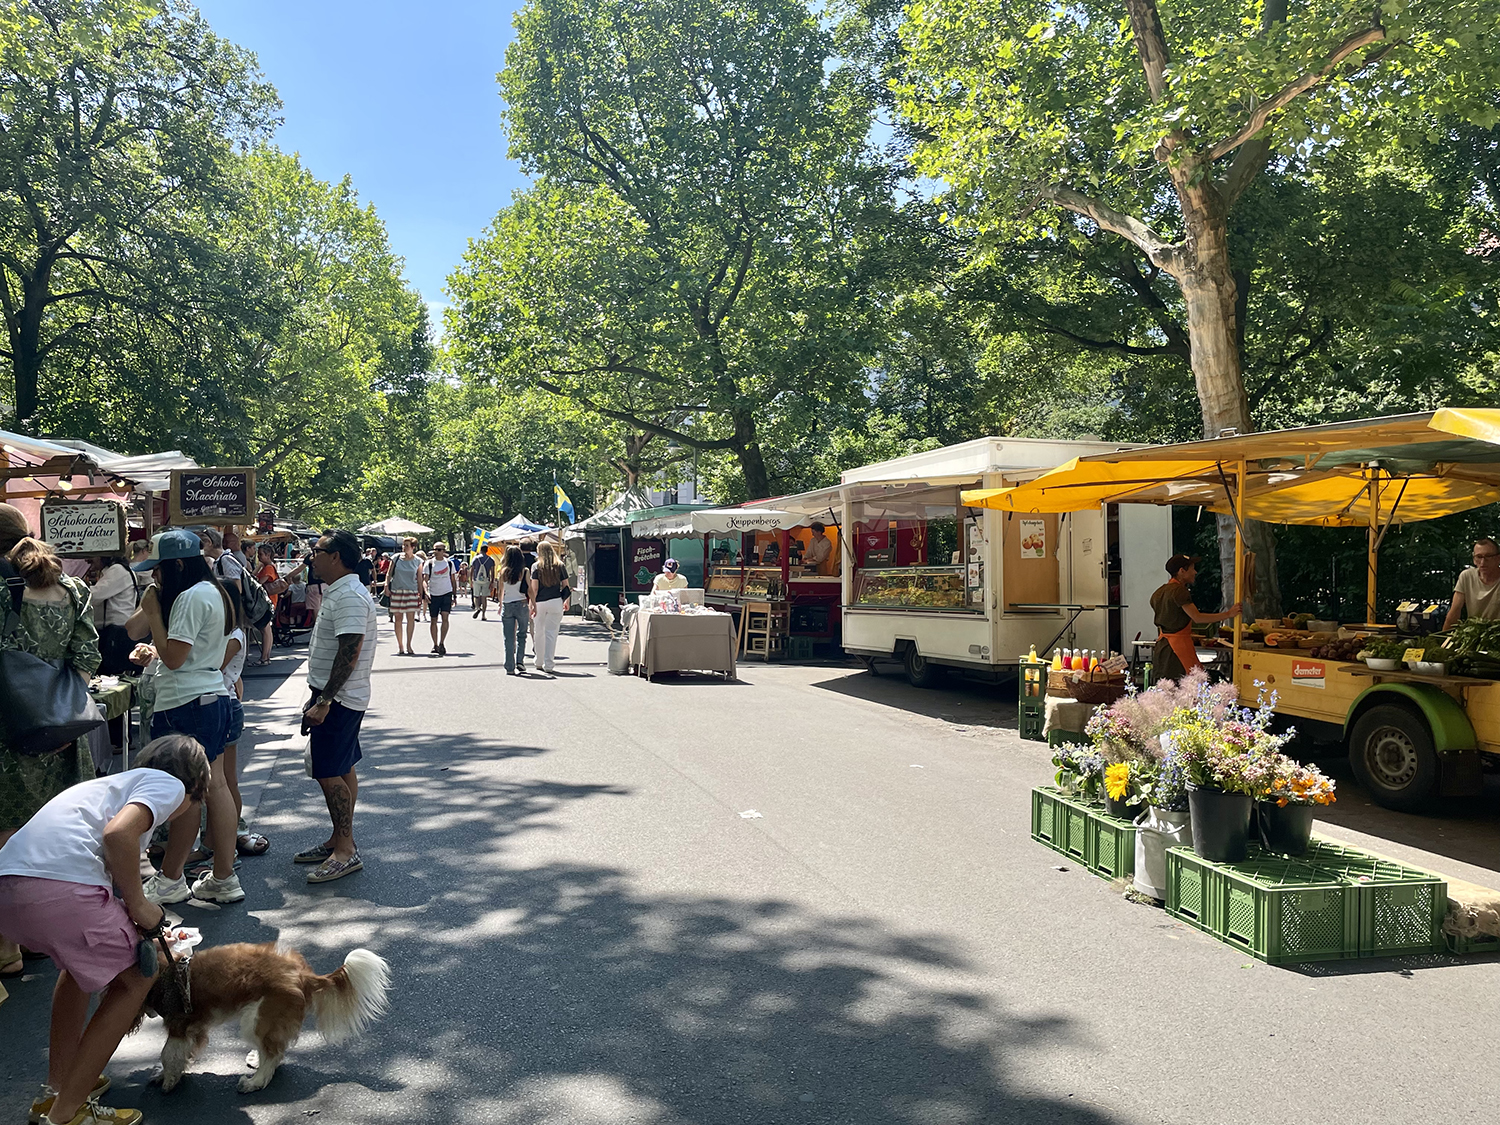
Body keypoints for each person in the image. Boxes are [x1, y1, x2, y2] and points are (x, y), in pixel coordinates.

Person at [0, 734, 210, 1125]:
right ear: (194, 788)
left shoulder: (111, 787)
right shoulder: (169, 785)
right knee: (137, 977)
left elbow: (105, 859)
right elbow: (118, 835)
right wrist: (140, 906)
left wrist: (131, 915)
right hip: (60, 889)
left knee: (77, 967)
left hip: (10, 887)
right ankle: (67, 1112)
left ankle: (57, 1090)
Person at [0, 519, 102, 980]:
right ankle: (41, 935)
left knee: (6, 834)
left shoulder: (2, 591)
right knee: (51, 833)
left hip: (7, 733)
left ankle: (7, 947)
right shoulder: (73, 589)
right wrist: (58, 714)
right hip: (60, 732)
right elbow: (87, 657)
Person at [128, 529, 243, 906]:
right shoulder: (215, 591)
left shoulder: (191, 597)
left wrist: (153, 613)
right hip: (210, 696)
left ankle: (172, 879)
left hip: (185, 701)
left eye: (158, 568)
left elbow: (174, 658)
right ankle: (223, 876)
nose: (154, 576)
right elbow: (148, 638)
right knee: (214, 786)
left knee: (186, 794)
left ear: (177, 565)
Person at [298, 529, 377, 884]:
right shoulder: (341, 591)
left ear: (336, 557)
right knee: (341, 768)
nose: (311, 557)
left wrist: (325, 700)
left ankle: (345, 849)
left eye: (317, 551)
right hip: (337, 695)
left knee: (329, 771)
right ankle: (339, 840)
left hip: (339, 698)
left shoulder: (348, 596)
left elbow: (350, 652)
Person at [1150, 554, 1241, 682]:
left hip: (1163, 646)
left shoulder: (1158, 592)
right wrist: (1228, 614)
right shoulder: (1179, 591)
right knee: (1188, 685)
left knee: (1165, 685)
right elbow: (1197, 617)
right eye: (1192, 568)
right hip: (1178, 648)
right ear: (1182, 571)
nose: (1195, 572)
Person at [529, 541, 571, 675]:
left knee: (539, 632)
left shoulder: (536, 567)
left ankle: (538, 661)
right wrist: (566, 601)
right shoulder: (560, 565)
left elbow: (534, 589)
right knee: (551, 633)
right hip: (555, 601)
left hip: (540, 603)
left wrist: (532, 604)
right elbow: (566, 586)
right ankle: (549, 664)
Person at [1442, 538, 1500, 628]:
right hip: (1474, 632)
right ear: (1474, 559)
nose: (1483, 562)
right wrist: (1443, 636)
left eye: (1488, 556)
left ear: (1498, 558)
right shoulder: (1467, 576)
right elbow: (1455, 611)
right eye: (1479, 557)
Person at [386, 537, 422, 655]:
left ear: (413, 547)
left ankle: (409, 645)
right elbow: (389, 574)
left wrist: (421, 594)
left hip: (411, 591)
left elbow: (420, 579)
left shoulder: (418, 561)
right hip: (397, 591)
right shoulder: (396, 558)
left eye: (406, 545)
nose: (404, 547)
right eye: (403, 545)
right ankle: (400, 646)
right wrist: (386, 586)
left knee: (411, 618)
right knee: (398, 619)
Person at [499, 545, 531, 675]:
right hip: (522, 604)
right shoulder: (525, 571)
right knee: (522, 634)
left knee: (508, 637)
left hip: (507, 604)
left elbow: (501, 591)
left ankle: (509, 666)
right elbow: (529, 589)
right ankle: (520, 661)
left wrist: (500, 604)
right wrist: (533, 604)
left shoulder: (503, 572)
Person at [422, 541, 456, 656]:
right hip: (434, 594)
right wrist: (426, 592)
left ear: (444, 551)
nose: (436, 552)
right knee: (433, 620)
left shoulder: (449, 563)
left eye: (439, 550)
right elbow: (425, 580)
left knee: (445, 617)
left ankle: (442, 643)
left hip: (446, 593)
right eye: (435, 549)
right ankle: (435, 644)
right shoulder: (429, 563)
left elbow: (453, 580)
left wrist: (454, 595)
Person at [471, 548, 496, 620]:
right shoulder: (490, 559)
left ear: (480, 550)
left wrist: (471, 579)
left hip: (476, 580)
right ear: (487, 550)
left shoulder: (475, 558)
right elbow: (492, 572)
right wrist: (492, 581)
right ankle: (483, 615)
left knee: (476, 596)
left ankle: (477, 608)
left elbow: (472, 569)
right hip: (486, 580)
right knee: (484, 597)